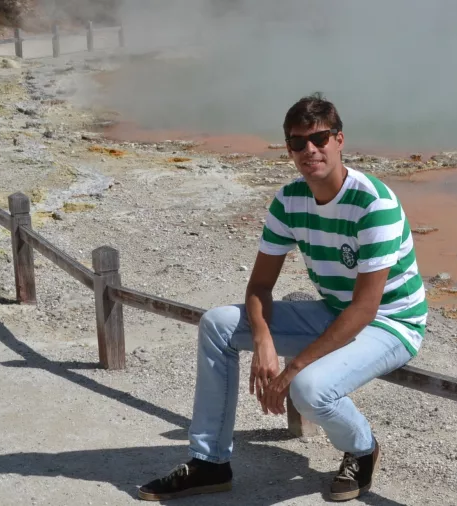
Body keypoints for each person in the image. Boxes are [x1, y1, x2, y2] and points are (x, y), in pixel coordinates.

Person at [138, 93, 428, 502]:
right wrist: (262, 338)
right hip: (334, 313)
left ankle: (362, 449)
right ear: (289, 149)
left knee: (308, 389)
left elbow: (365, 308)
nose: (310, 150)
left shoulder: (373, 204)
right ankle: (209, 462)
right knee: (218, 324)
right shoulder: (290, 199)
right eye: (298, 142)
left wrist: (290, 372)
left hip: (392, 322)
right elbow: (259, 287)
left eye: (320, 139)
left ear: (339, 140)